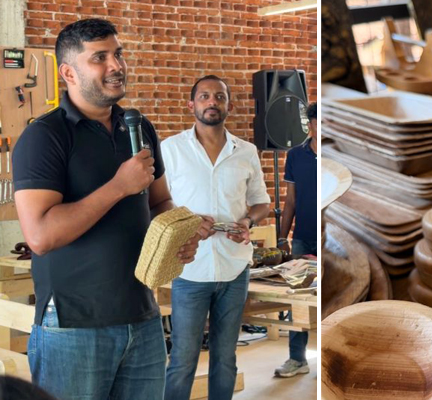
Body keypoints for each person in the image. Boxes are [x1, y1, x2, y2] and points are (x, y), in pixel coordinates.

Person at [12, 19, 211, 400]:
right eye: (99, 58)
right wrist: (119, 187)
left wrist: (177, 234)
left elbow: (159, 202)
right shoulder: (45, 137)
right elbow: (40, 236)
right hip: (73, 326)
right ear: (69, 73)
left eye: (117, 54)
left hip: (143, 316)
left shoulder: (138, 126)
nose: (116, 65)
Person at [162, 75, 271, 400]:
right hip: (190, 269)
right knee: (183, 359)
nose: (212, 102)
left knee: (225, 358)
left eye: (219, 97)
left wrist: (247, 221)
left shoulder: (246, 151)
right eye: (205, 96)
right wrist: (189, 223)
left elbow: (262, 203)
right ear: (191, 105)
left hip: (234, 268)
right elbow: (156, 205)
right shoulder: (171, 149)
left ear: (229, 106)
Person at [274, 102, 317, 378]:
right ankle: (297, 359)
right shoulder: (295, 155)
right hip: (302, 239)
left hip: (329, 237)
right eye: (317, 122)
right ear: (310, 124)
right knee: (297, 300)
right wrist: (282, 237)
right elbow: (290, 201)